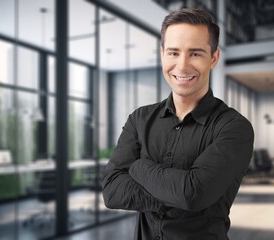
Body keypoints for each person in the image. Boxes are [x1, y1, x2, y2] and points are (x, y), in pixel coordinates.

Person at [102, 8, 254, 240]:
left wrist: (138, 166)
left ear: (213, 58)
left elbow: (193, 194)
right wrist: (177, 192)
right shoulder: (139, 119)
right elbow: (112, 192)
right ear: (162, 54)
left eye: (195, 54)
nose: (182, 66)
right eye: (173, 53)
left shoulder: (233, 127)